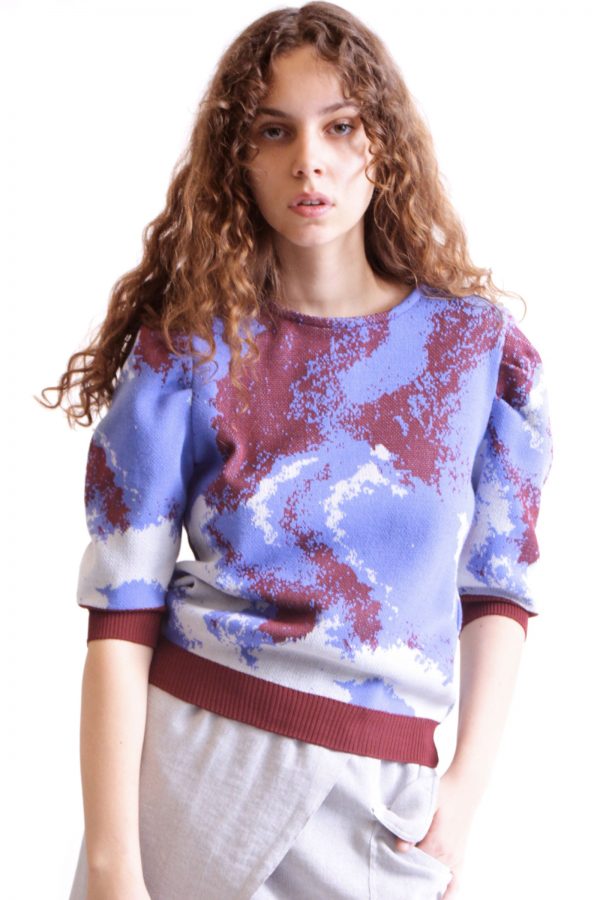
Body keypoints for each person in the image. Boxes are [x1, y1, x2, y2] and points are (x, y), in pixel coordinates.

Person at [41, 3, 553, 898]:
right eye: (273, 131)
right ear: (238, 155)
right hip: (194, 772)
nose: (308, 160)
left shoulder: (477, 353)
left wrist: (462, 799)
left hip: (384, 799)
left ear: (383, 142)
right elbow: (121, 613)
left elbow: (498, 587)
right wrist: (117, 865)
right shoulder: (190, 353)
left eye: (340, 126)